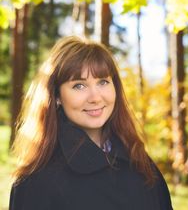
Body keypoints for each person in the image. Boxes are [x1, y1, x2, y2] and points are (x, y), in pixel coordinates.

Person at [9, 36, 173, 210]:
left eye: (103, 82)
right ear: (56, 96)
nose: (95, 97)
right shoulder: (36, 181)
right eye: (79, 86)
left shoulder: (140, 163)